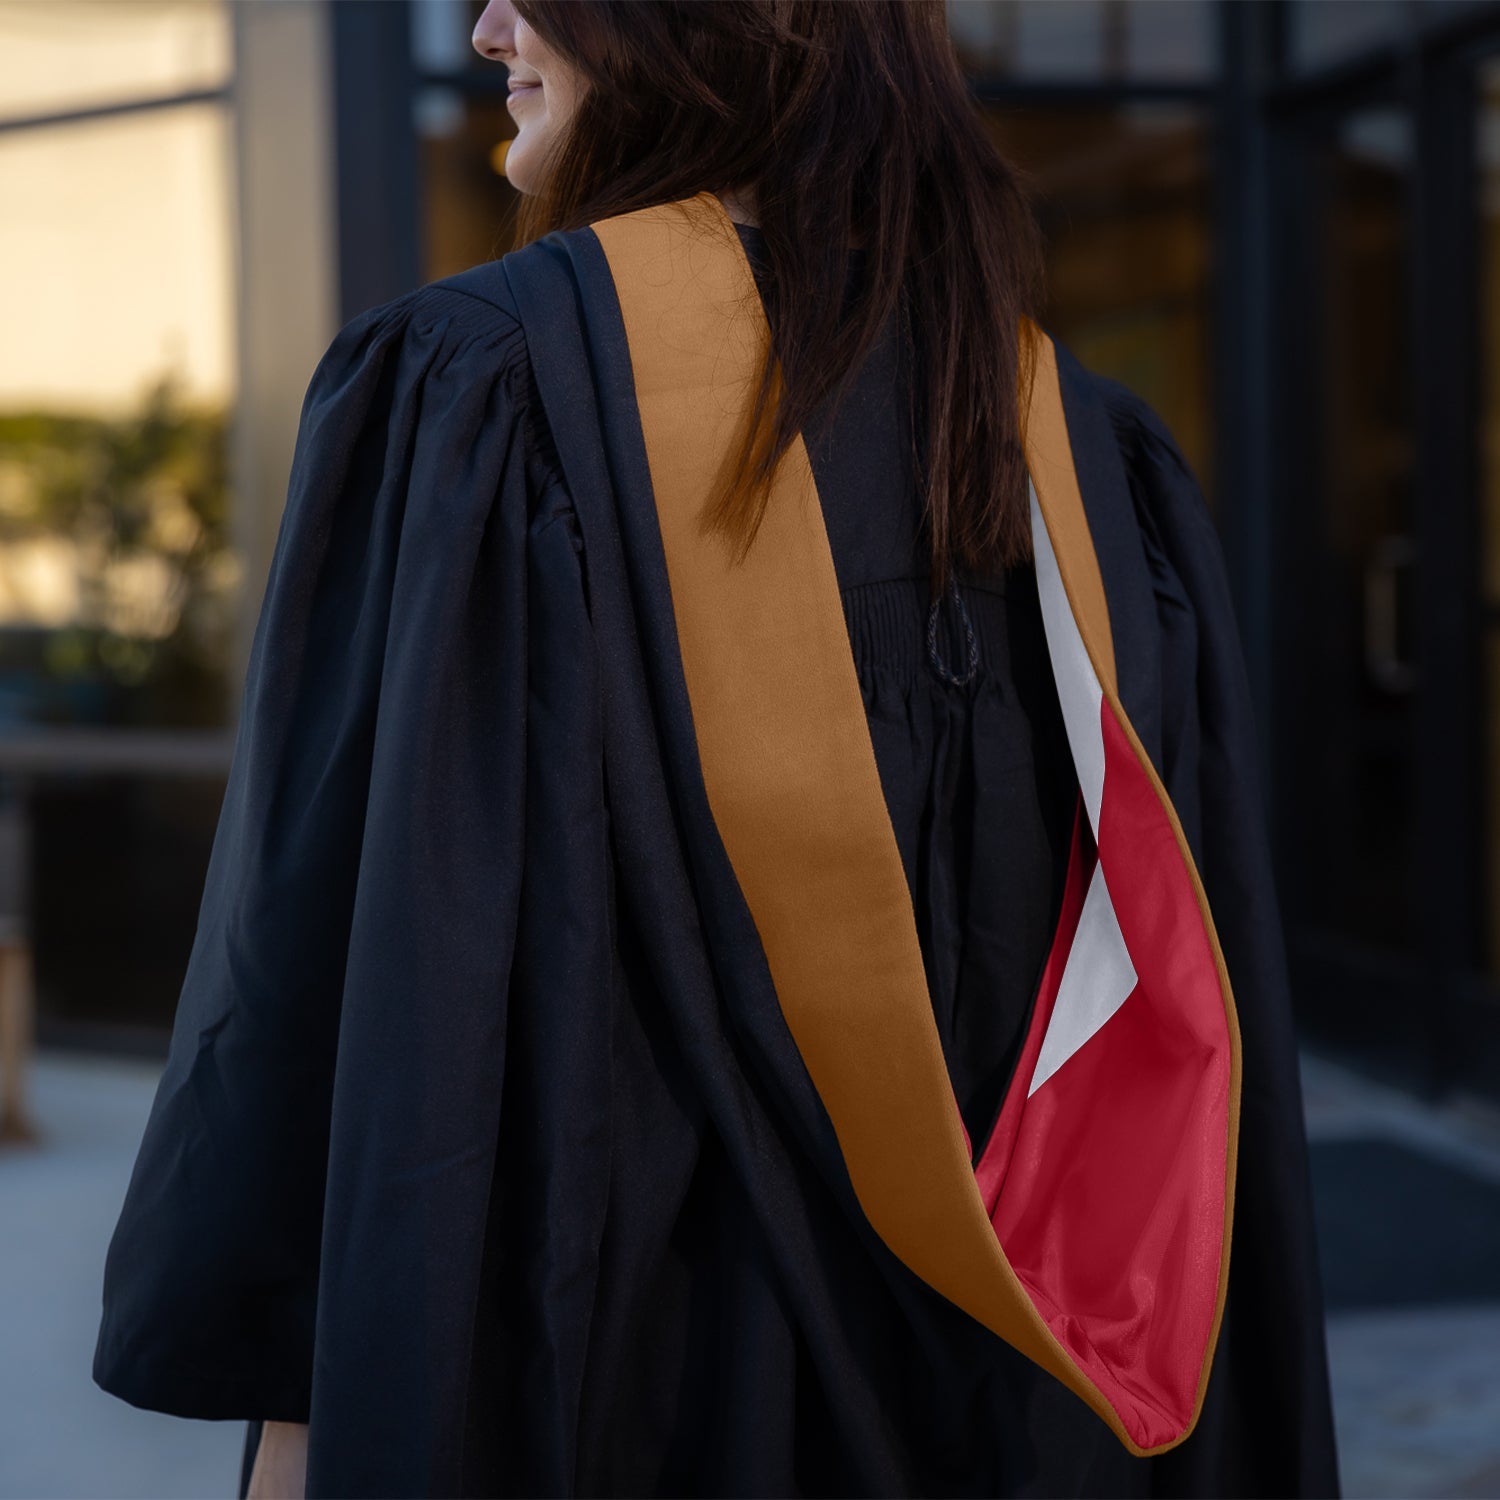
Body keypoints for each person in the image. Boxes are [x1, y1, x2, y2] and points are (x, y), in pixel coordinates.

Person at [92, 3, 1340, 1497]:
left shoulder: (482, 397)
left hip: (624, 1400)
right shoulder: (1083, 458)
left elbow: (329, 1015)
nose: (489, 24)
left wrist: (296, 1442)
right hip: (1028, 1421)